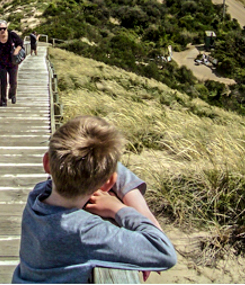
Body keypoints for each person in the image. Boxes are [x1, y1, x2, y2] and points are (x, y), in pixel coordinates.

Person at [12, 115, 176, 283]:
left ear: (46, 164)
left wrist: (140, 207)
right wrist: (120, 209)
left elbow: (82, 160)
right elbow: (163, 252)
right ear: (108, 183)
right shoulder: (85, 231)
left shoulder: (38, 195)